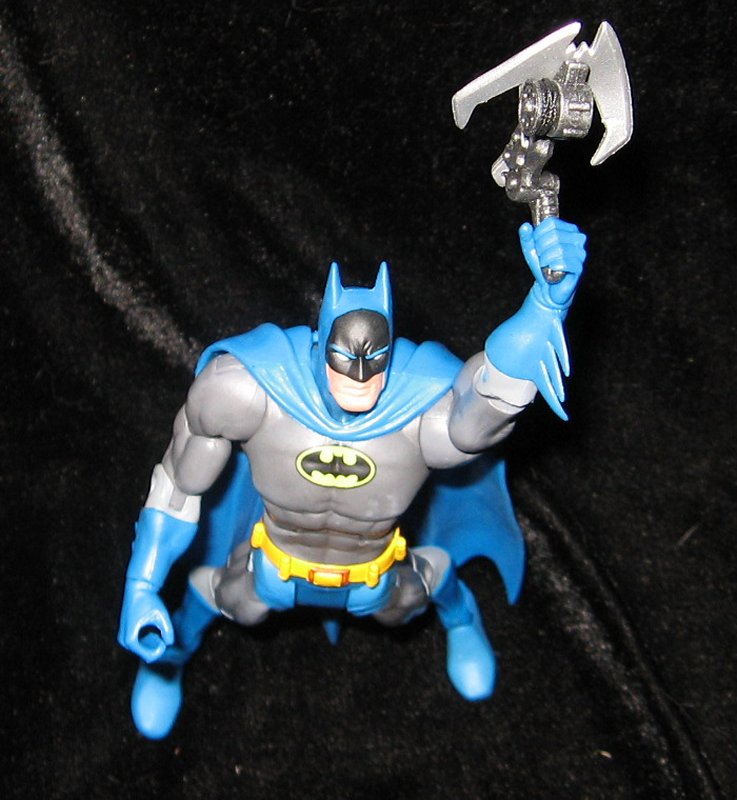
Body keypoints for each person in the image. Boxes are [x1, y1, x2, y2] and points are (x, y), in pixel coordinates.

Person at [118, 217, 586, 739]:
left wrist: (544, 308)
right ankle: (167, 656)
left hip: (374, 571)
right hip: (273, 561)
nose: (360, 378)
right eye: (346, 361)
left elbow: (488, 407)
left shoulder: (419, 409)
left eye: (374, 363)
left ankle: (462, 616)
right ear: (322, 342)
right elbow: (177, 487)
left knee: (408, 604)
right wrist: (142, 586)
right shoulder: (249, 392)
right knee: (232, 601)